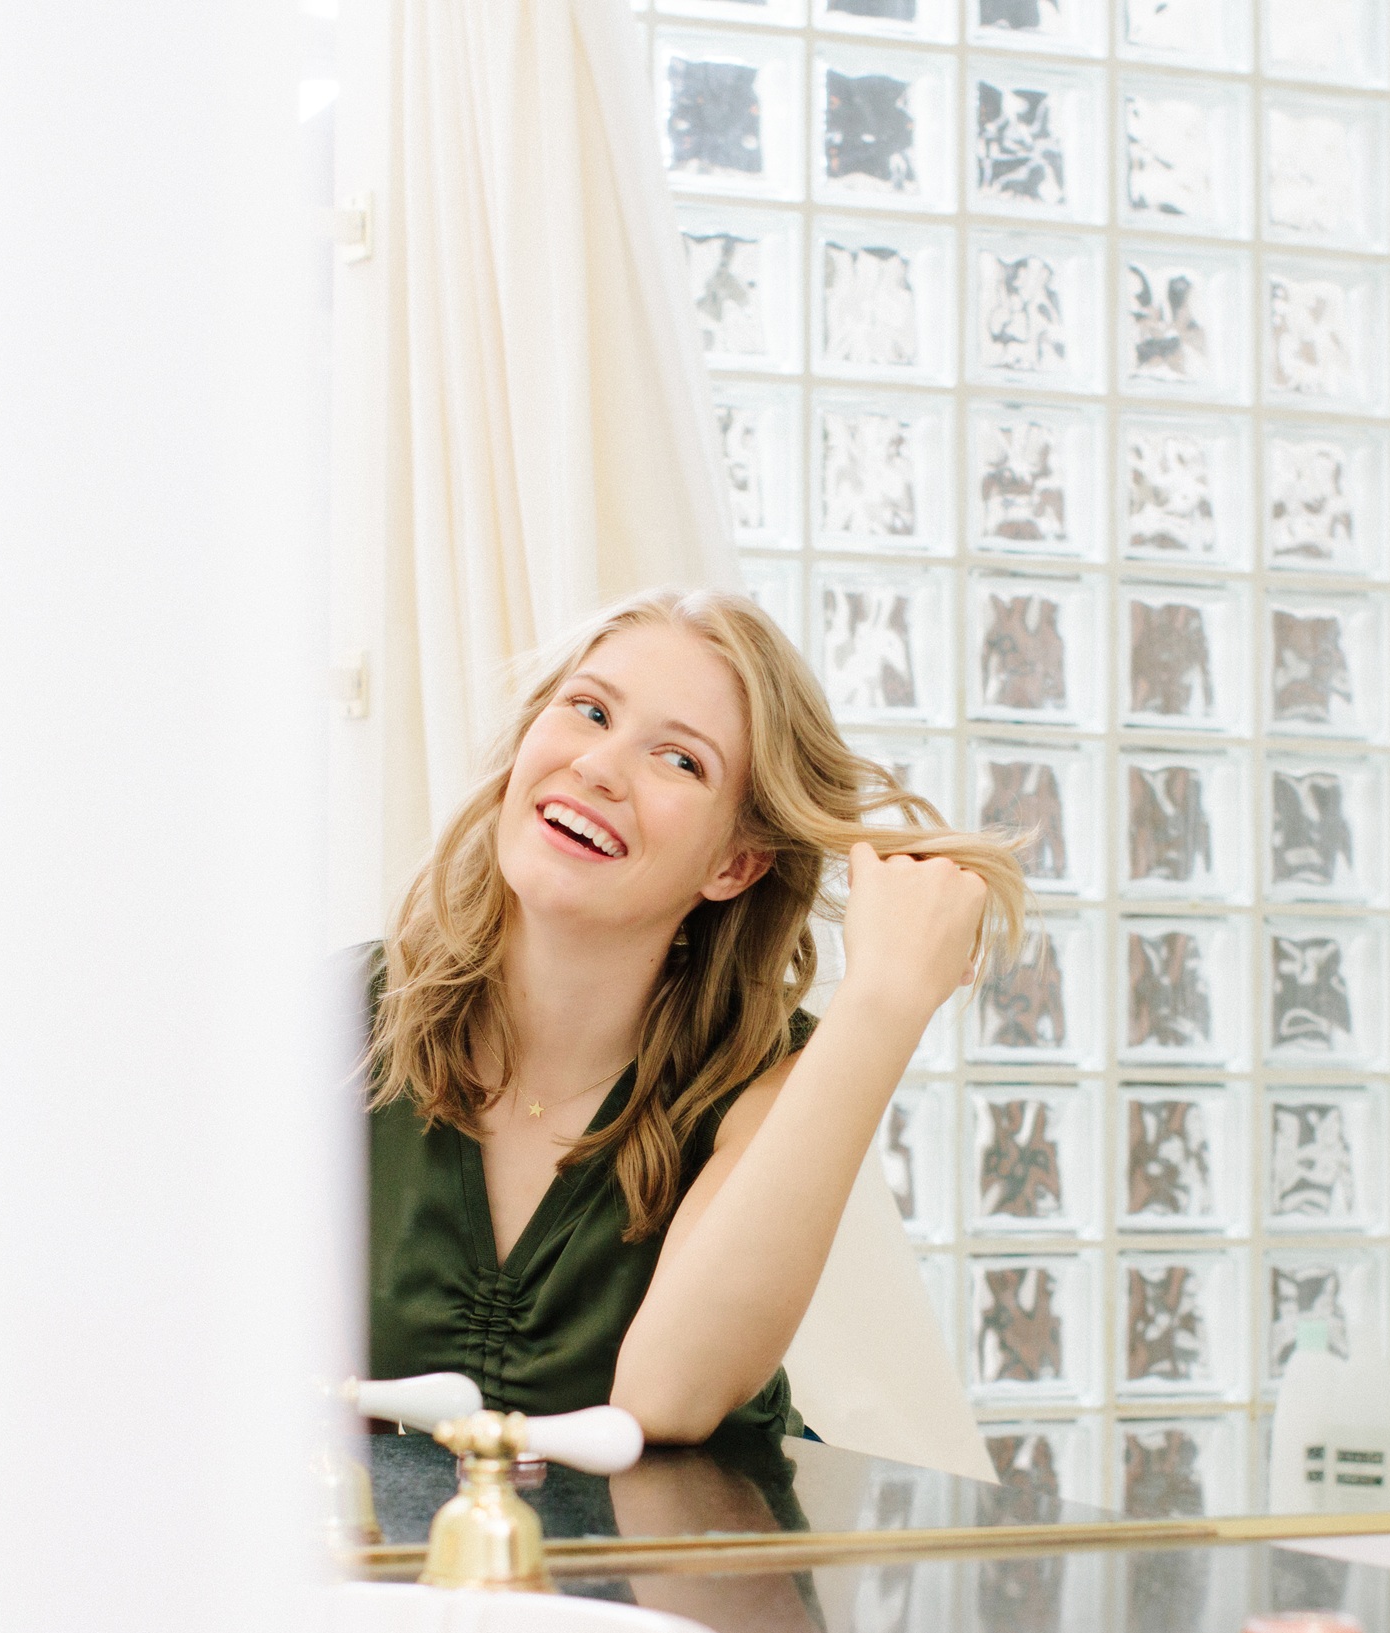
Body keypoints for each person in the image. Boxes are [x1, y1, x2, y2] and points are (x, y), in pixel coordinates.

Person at [364, 585, 1021, 1463]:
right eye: (590, 710)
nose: (599, 767)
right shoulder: (333, 1023)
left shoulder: (763, 1078)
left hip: (692, 1551)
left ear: (735, 864)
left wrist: (885, 1002)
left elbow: (667, 1398)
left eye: (680, 761)